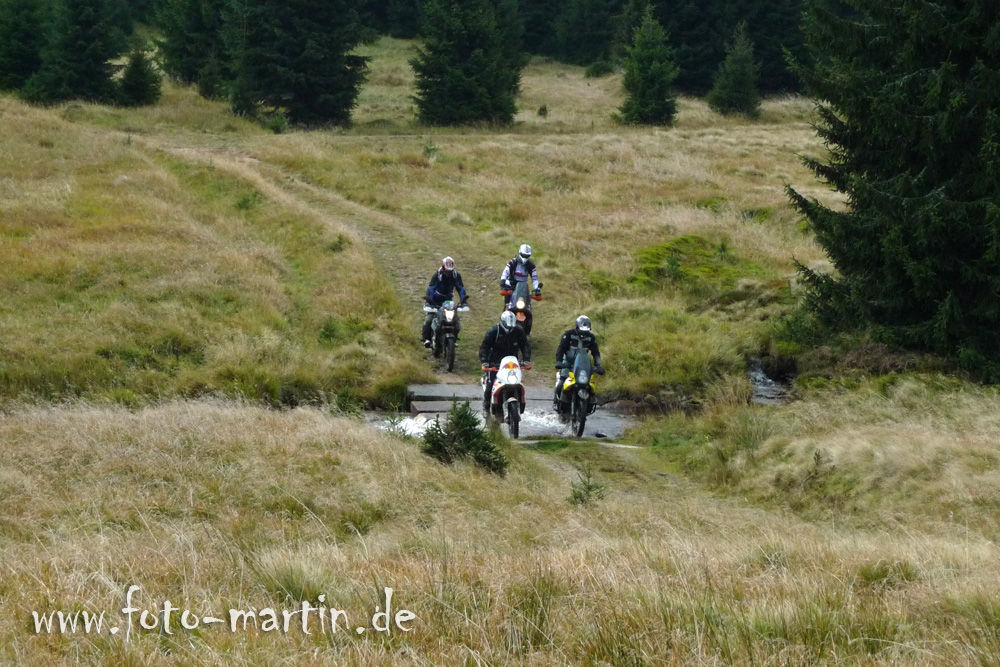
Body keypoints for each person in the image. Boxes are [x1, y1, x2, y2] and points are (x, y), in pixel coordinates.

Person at [479, 311, 531, 410]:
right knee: (490, 384)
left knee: (517, 381)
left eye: (512, 326)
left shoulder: (519, 331)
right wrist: (484, 361)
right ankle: (486, 404)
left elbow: (525, 345)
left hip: (512, 363)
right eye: (508, 326)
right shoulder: (494, 331)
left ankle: (521, 403)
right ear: (502, 322)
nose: (510, 329)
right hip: (495, 363)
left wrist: (526, 359)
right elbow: (484, 347)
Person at [553, 315, 604, 408]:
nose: (584, 333)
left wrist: (598, 365)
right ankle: (557, 402)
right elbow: (561, 348)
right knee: (561, 384)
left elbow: (595, 352)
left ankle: (589, 404)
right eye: (582, 330)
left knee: (589, 385)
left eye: (586, 331)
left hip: (583, 365)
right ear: (577, 327)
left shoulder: (591, 337)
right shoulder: (569, 334)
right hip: (568, 363)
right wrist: (559, 361)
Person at [423, 256, 468, 348]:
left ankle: (454, 338)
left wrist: (463, 301)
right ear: (443, 267)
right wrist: (429, 301)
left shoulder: (456, 276)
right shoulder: (437, 275)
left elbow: (461, 289)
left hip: (448, 301)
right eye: (447, 271)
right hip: (435, 300)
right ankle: (426, 339)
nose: (448, 273)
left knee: (455, 320)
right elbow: (431, 288)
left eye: (450, 271)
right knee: (429, 319)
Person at [499, 243, 541, 335]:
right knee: (507, 305)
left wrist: (537, 289)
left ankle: (527, 330)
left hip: (523, 288)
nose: (525, 257)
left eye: (527, 256)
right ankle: (502, 326)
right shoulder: (512, 262)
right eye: (523, 255)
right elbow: (505, 272)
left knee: (528, 309)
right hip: (511, 287)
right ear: (519, 253)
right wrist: (503, 282)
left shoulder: (531, 266)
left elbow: (534, 278)